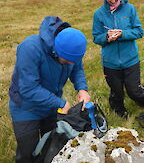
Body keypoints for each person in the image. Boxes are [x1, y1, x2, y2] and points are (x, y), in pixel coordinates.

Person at [9, 16, 91, 163]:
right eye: (67, 60)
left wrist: (82, 89)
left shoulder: (71, 46)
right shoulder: (29, 48)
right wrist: (60, 103)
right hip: (26, 108)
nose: (70, 63)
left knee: (52, 145)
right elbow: (28, 88)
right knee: (28, 153)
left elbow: (77, 69)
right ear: (56, 50)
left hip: (51, 107)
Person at [92, 0, 144, 118]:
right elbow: (96, 38)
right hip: (110, 63)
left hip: (130, 59)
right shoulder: (99, 14)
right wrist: (106, 37)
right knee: (116, 91)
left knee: (133, 90)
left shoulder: (130, 9)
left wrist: (122, 34)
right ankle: (119, 112)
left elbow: (139, 31)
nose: (112, 0)